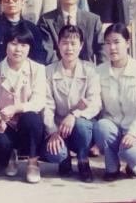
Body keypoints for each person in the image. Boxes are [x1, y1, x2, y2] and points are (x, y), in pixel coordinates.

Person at [95, 24, 136, 180]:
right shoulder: (99, 71)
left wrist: (134, 133)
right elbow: (95, 103)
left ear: (127, 43)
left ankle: (133, 165)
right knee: (101, 126)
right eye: (108, 43)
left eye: (117, 42)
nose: (112, 47)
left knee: (131, 153)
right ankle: (112, 167)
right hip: (112, 127)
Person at [0, 24, 48, 184]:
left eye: (23, 45)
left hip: (27, 123)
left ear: (29, 48)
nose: (18, 49)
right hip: (5, 123)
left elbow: (39, 101)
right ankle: (11, 155)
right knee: (0, 140)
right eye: (13, 44)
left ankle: (33, 162)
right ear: (5, 44)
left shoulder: (38, 69)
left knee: (32, 119)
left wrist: (16, 108)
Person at [42, 25, 101, 183]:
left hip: (81, 126)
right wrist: (52, 132)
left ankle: (83, 161)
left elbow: (95, 103)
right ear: (58, 45)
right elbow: (47, 106)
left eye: (73, 43)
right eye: (65, 43)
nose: (69, 48)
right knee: (55, 153)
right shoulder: (48, 71)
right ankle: (64, 159)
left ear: (81, 46)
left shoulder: (90, 70)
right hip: (58, 127)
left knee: (82, 125)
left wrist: (74, 115)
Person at [38, 0, 102, 64]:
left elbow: (102, 50)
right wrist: (62, 69)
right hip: (56, 70)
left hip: (87, 70)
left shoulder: (93, 20)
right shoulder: (47, 20)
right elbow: (47, 50)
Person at [0, 0, 48, 68]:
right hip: (1, 72)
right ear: (0, 3)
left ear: (22, 1)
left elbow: (39, 56)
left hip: (28, 72)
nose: (11, 1)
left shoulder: (32, 28)